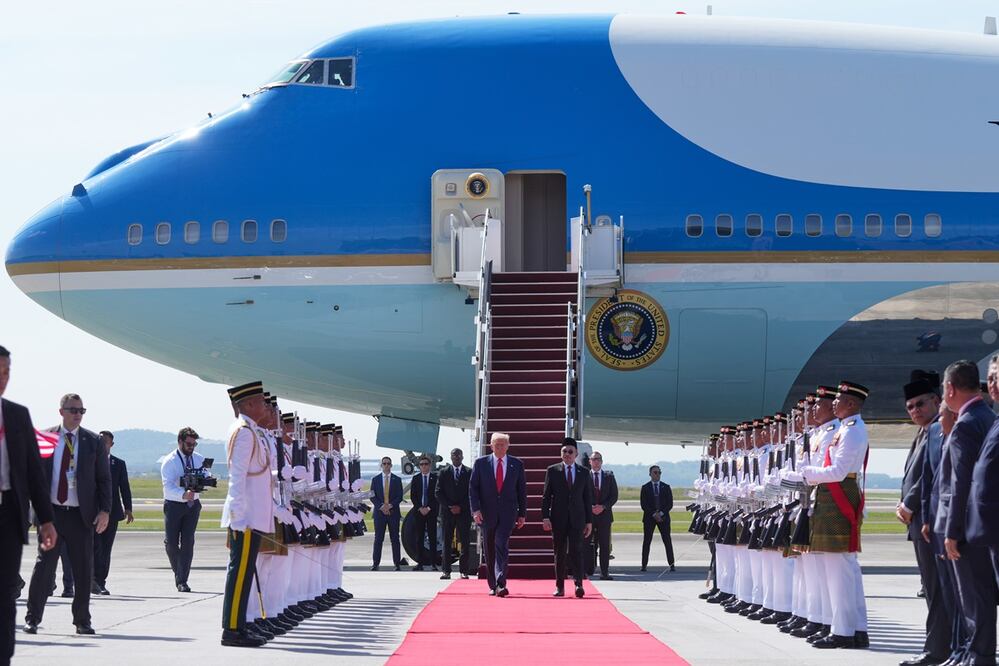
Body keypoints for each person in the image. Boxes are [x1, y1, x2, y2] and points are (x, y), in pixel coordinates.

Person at [24, 393, 110, 636]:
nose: (77, 415)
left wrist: (105, 510)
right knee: (44, 568)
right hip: (51, 514)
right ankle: (32, 618)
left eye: (82, 410)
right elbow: (33, 476)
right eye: (73, 410)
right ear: (61, 411)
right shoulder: (46, 437)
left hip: (80, 516)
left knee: (83, 570)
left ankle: (82, 621)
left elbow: (104, 479)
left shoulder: (93, 441)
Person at [795, 381, 871, 650]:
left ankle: (843, 631)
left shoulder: (851, 431)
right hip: (831, 495)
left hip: (839, 495)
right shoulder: (847, 429)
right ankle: (850, 628)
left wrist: (806, 475)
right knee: (838, 569)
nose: (835, 403)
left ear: (851, 403)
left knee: (839, 569)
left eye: (839, 399)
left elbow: (838, 472)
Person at [935, 361, 996, 664]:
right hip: (982, 523)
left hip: (965, 525)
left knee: (972, 598)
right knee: (982, 595)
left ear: (950, 388)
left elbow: (960, 485)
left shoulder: (965, 424)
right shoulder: (988, 416)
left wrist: (951, 532)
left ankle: (978, 656)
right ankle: (975, 654)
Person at [0, 346, 57, 666]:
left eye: (7, 373)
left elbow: (34, 472)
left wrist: (46, 520)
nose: (3, 380)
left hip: (9, 513)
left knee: (6, 593)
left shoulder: (18, 415)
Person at [896, 372, 950, 666]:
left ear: (936, 401)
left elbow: (932, 476)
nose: (915, 410)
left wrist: (909, 503)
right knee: (933, 589)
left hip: (929, 521)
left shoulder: (938, 431)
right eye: (910, 407)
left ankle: (937, 650)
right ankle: (941, 647)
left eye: (920, 404)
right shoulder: (924, 433)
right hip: (919, 521)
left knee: (938, 590)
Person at [220, 381, 275, 648]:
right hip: (246, 517)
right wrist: (238, 516)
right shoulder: (243, 433)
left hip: (253, 515)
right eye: (262, 402)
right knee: (240, 573)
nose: (265, 406)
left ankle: (239, 627)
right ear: (250, 405)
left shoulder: (252, 431)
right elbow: (237, 478)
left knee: (245, 574)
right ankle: (231, 630)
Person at [469, 432, 527, 597]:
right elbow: (473, 488)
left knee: (501, 544)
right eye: (497, 444)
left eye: (503, 444)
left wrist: (522, 513)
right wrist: (476, 510)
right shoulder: (481, 464)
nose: (500, 447)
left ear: (508, 446)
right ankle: (493, 584)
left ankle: (501, 582)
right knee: (489, 547)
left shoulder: (516, 464)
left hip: (508, 513)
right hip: (487, 513)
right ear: (491, 446)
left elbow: (521, 491)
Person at [541, 438, 593, 598]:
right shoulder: (553, 470)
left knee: (577, 551)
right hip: (558, 519)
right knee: (560, 553)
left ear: (576, 453)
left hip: (577, 519)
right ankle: (560, 586)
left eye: (570, 452)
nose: (567, 454)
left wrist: (589, 521)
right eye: (564, 451)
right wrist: (545, 517)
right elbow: (546, 496)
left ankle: (578, 584)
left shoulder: (583, 472)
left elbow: (587, 498)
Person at [161, 427, 205, 592]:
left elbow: (205, 477)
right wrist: (183, 494)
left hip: (193, 506)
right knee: (171, 543)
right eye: (188, 444)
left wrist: (204, 481)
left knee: (188, 542)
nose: (191, 447)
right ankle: (179, 571)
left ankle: (182, 580)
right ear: (180, 442)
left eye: (194, 444)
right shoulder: (170, 461)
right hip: (174, 505)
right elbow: (168, 487)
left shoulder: (199, 459)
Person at [92, 430, 132, 595]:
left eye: (105, 442)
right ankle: (92, 580)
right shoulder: (89, 461)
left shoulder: (118, 464)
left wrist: (128, 509)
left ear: (111, 445)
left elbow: (125, 488)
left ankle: (101, 581)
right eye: (100, 441)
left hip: (113, 512)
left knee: (106, 549)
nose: (102, 444)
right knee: (94, 547)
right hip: (92, 512)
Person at [436, 447, 471, 580]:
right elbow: (438, 492)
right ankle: (446, 570)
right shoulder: (444, 472)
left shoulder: (469, 472)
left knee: (465, 542)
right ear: (450, 457)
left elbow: (471, 492)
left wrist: (460, 506)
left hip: (463, 512)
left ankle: (464, 571)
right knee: (446, 542)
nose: (456, 457)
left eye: (458, 455)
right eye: (454, 455)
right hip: (447, 512)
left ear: (462, 457)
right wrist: (450, 506)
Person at [587, 450, 618, 580]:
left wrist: (603, 507)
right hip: (589, 515)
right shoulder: (584, 475)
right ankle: (587, 571)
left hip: (604, 516)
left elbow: (614, 496)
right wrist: (590, 507)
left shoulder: (609, 476)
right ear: (590, 461)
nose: (596, 461)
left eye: (598, 459)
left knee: (604, 546)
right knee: (586, 544)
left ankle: (604, 572)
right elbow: (580, 494)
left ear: (602, 461)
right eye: (594, 459)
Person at [370, 456, 403, 571]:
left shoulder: (397, 479)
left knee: (395, 539)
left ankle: (397, 563)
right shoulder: (375, 479)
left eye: (388, 463)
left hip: (393, 513)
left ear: (391, 465)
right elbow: (372, 496)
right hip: (379, 514)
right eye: (384, 463)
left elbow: (400, 496)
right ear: (381, 465)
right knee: (378, 539)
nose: (386, 465)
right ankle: (375, 563)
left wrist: (390, 505)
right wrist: (381, 506)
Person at [640, 465, 675, 572]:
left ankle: (672, 564)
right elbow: (644, 504)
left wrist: (661, 513)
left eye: (659, 472)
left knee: (667, 540)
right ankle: (644, 565)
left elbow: (669, 504)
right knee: (647, 541)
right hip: (650, 518)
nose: (657, 474)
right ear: (650, 474)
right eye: (655, 472)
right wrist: (653, 514)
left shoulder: (666, 487)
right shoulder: (645, 488)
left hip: (663, 518)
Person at [410, 455, 439, 571]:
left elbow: (437, 495)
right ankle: (420, 563)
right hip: (419, 512)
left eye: (426, 464)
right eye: (421, 465)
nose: (424, 466)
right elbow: (413, 496)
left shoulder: (435, 478)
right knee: (419, 538)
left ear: (429, 466)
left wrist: (429, 508)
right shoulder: (416, 478)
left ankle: (433, 563)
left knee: (432, 538)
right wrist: (420, 508)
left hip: (431, 512)